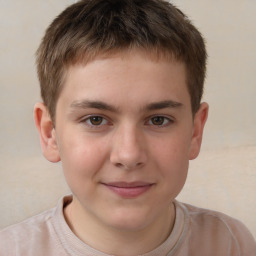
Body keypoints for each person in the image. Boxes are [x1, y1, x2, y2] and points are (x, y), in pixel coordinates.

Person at [0, 0, 255, 255]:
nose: (129, 155)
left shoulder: (231, 243)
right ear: (49, 133)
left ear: (195, 132)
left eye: (158, 120)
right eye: (95, 120)